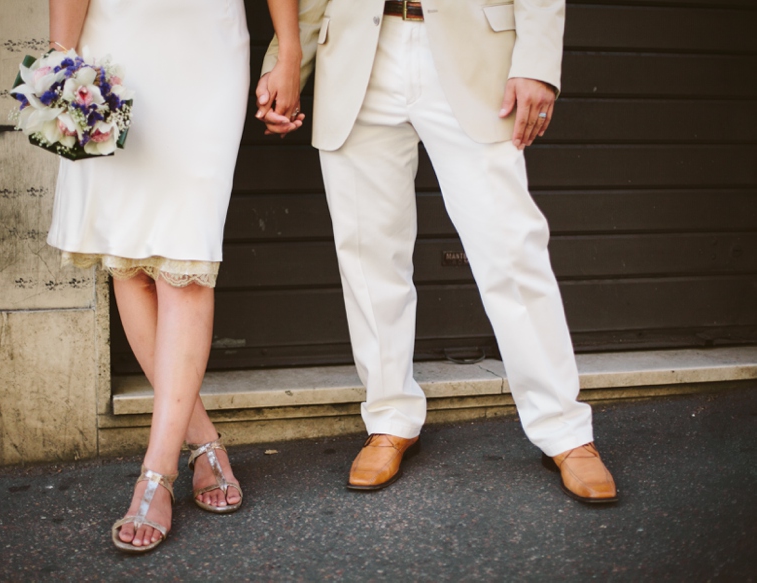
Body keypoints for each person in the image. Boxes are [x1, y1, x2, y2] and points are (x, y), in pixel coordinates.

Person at [256, 0, 617, 504]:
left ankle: (564, 429)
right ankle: (389, 417)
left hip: (472, 50)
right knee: (368, 254)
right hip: (358, 49)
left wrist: (536, 62)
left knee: (512, 249)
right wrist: (287, 61)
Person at [48, 0, 302, 552]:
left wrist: (288, 50)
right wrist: (61, 57)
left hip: (206, 49)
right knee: (131, 262)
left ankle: (154, 476)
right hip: (115, 46)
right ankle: (203, 442)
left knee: (186, 266)